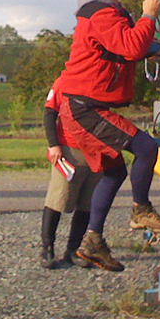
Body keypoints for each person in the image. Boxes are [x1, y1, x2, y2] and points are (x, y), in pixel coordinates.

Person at [56, 0, 160, 271]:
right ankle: (141, 211)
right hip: (84, 106)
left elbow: (125, 46)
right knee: (146, 147)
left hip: (85, 106)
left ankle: (93, 241)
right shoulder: (100, 13)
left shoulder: (107, 14)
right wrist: (149, 15)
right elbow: (130, 48)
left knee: (114, 172)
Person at [39, 78, 98, 269]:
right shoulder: (63, 82)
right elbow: (49, 113)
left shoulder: (102, 81)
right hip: (69, 150)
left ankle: (73, 251)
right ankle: (47, 249)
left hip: (95, 151)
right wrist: (53, 144)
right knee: (58, 199)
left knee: (87, 204)